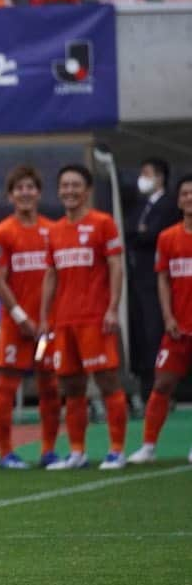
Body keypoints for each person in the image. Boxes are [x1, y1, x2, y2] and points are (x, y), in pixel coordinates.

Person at [39, 164, 128, 470]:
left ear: (87, 190)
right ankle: (77, 451)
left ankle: (116, 450)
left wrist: (112, 308)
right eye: (64, 185)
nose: (69, 191)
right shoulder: (53, 230)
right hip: (64, 321)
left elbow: (116, 266)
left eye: (75, 185)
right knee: (71, 387)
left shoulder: (103, 223)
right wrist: (44, 317)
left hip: (95, 318)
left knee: (107, 382)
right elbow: (51, 274)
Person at [0, 165, 62, 469]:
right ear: (10, 195)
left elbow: (57, 275)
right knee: (6, 387)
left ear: (39, 193)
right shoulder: (2, 232)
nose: (25, 193)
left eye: (30, 187)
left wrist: (47, 317)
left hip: (47, 325)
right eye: (19, 188)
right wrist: (21, 317)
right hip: (16, 326)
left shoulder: (53, 230)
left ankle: (48, 451)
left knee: (50, 386)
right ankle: (6, 453)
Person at [129, 174, 192, 464]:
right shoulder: (168, 238)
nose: (189, 198)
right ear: (178, 200)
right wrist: (168, 316)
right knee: (162, 383)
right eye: (185, 194)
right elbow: (163, 280)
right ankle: (149, 446)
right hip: (177, 327)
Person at [125, 158, 180, 404]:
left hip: (160, 279)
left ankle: (166, 391)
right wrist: (140, 232)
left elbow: (152, 236)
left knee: (158, 331)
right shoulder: (140, 206)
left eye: (146, 173)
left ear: (159, 177)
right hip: (139, 279)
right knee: (145, 333)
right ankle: (150, 389)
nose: (142, 178)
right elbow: (130, 232)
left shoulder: (169, 206)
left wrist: (142, 233)